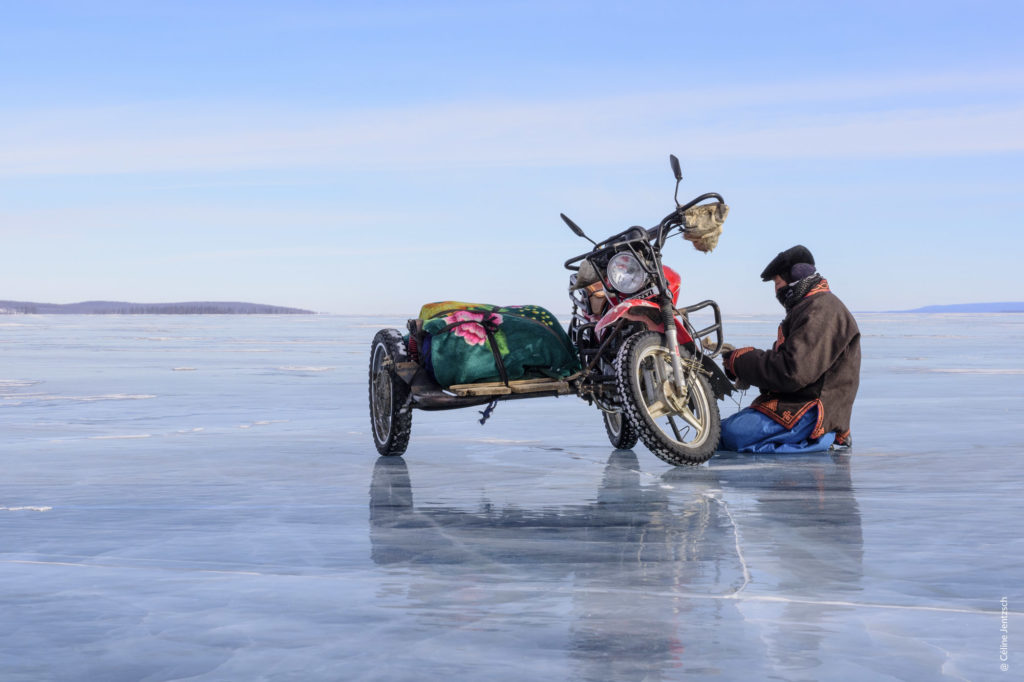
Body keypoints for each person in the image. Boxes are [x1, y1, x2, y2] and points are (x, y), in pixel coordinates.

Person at [719, 245, 860, 453]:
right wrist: (741, 366)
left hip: (810, 413)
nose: (776, 290)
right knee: (718, 433)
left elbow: (793, 371)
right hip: (796, 405)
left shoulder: (822, 310)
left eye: (777, 282)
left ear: (796, 277)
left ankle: (818, 442)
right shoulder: (811, 307)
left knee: (725, 436)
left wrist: (742, 361)